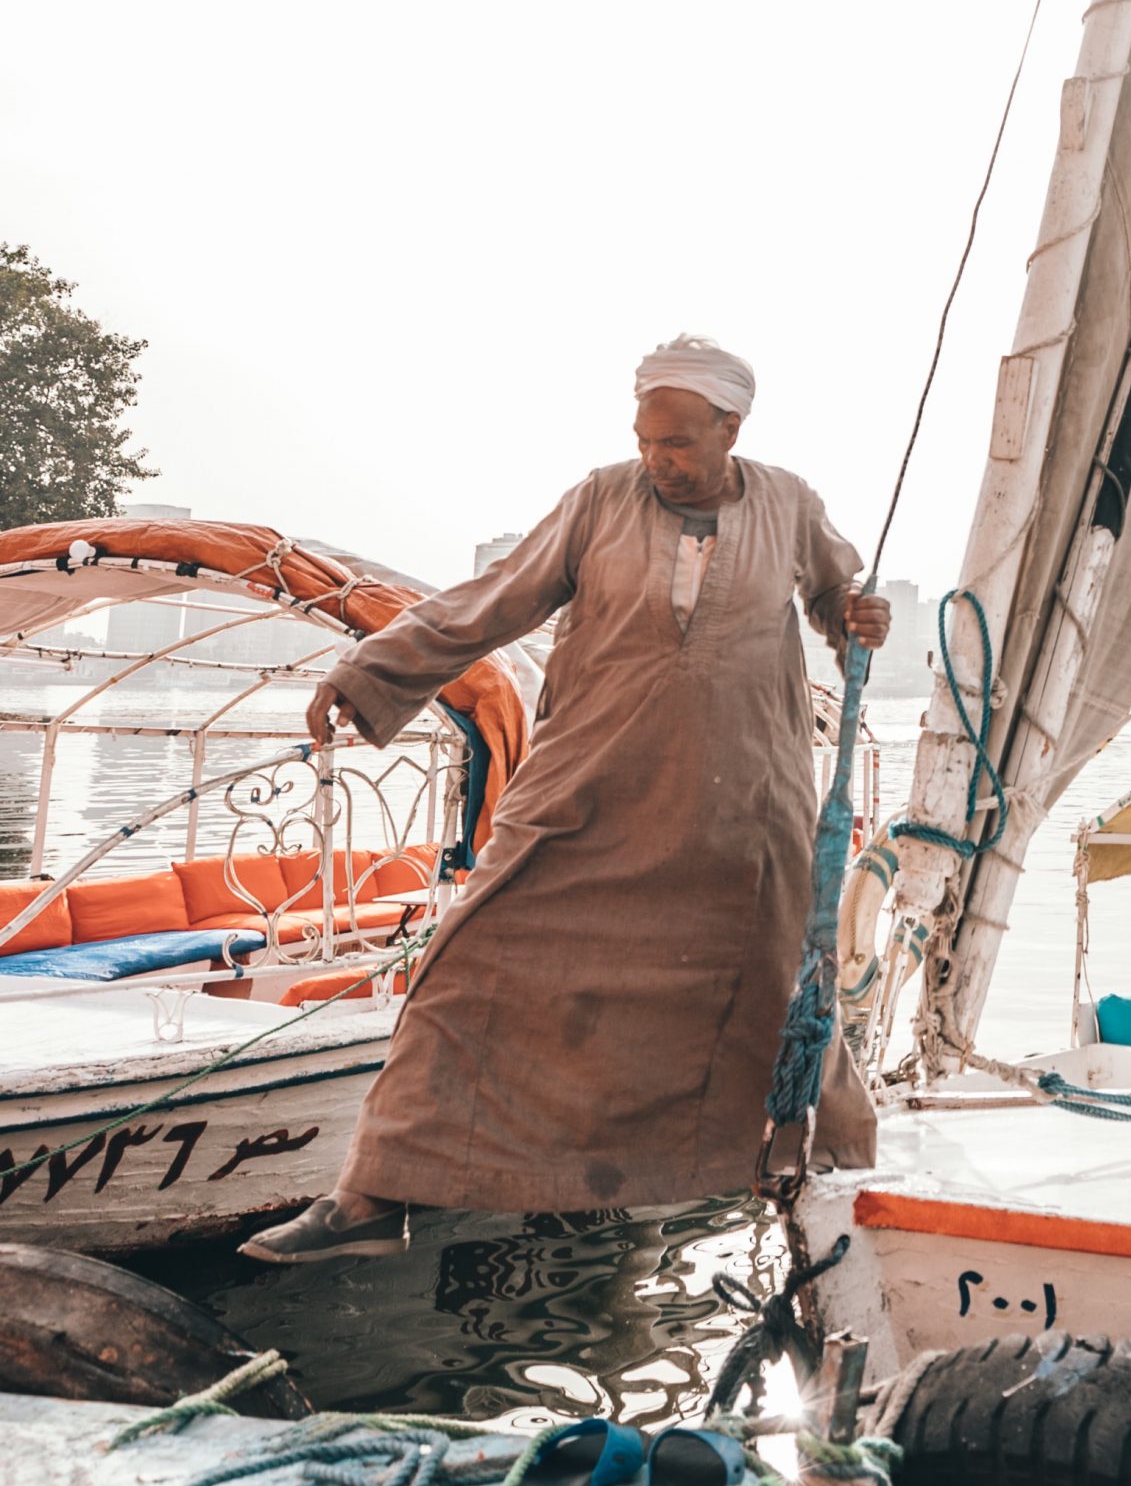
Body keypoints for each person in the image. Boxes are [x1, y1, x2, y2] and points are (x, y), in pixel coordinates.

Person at [242, 336, 892, 1262]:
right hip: (586, 789)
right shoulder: (598, 500)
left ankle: (823, 1178)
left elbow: (835, 598)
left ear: (730, 429)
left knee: (772, 993)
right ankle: (371, 1196)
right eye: (645, 440)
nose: (657, 459)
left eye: (677, 443)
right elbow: (494, 599)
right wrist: (372, 669)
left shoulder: (789, 504)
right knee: (466, 971)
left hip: (741, 811)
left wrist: (854, 615)